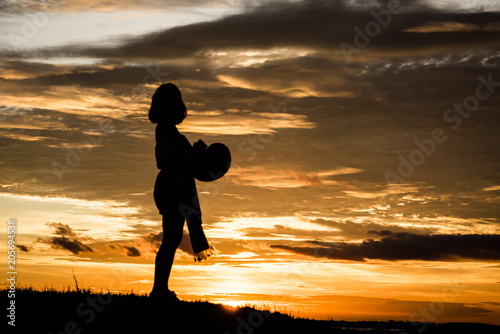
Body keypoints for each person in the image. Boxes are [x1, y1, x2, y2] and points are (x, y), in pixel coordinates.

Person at [149, 83, 214, 299]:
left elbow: (184, 161)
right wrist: (190, 154)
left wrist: (195, 154)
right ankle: (159, 290)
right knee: (171, 239)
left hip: (175, 186)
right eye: (168, 100)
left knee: (172, 239)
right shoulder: (165, 129)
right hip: (171, 187)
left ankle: (160, 289)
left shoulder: (170, 131)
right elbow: (166, 160)